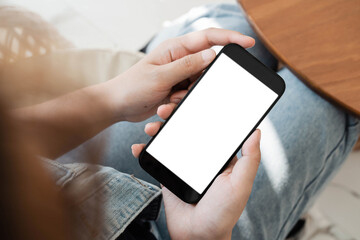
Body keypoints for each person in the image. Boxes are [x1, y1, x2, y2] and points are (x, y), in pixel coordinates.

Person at [0, 3, 359, 240]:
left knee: (239, 26)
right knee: (337, 83)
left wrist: (114, 98)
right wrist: (202, 237)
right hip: (166, 232)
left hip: (64, 174)